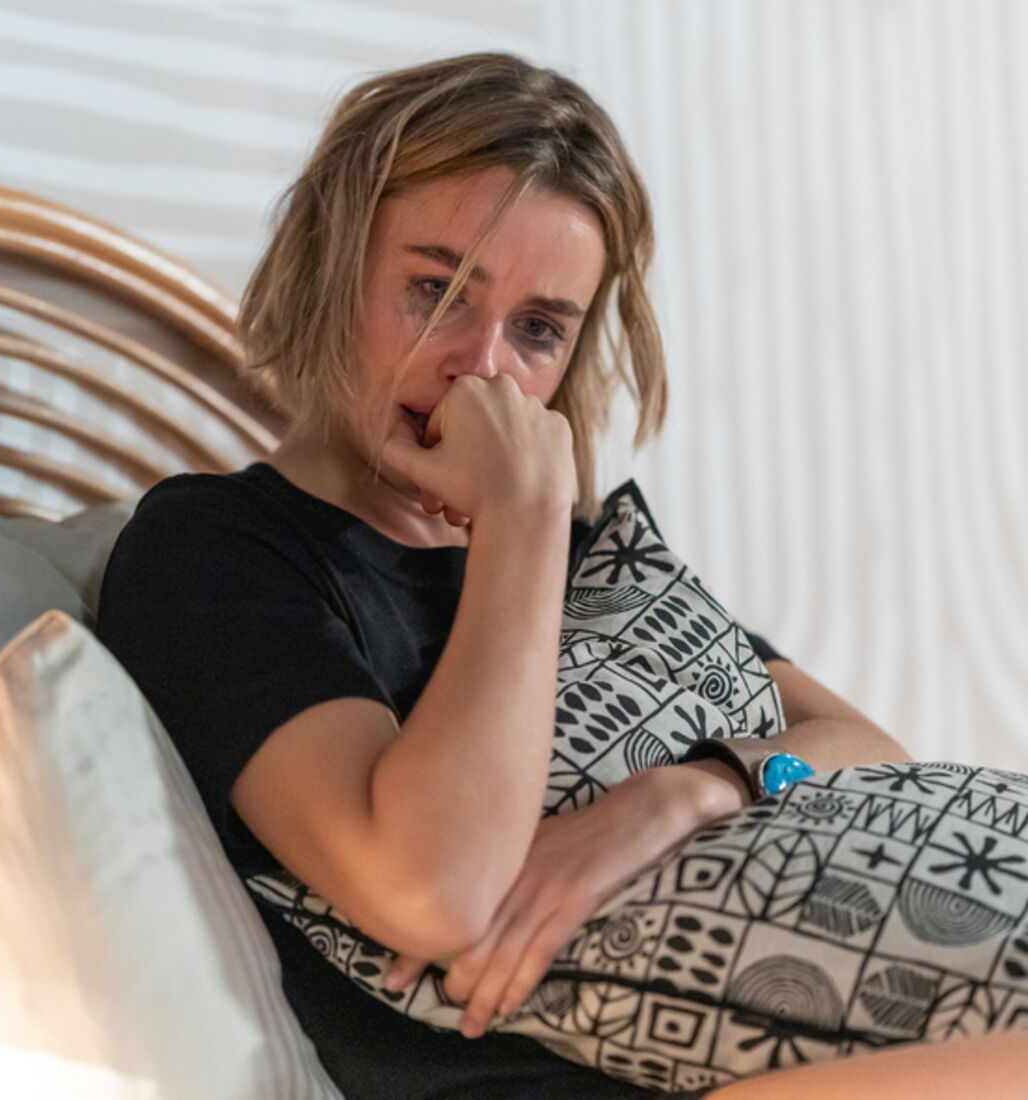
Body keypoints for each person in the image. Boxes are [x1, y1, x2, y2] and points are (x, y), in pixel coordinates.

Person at [97, 52, 1026, 1100]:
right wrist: (524, 516)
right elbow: (434, 892)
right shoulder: (216, 552)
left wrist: (679, 792)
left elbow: (865, 747)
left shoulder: (590, 554)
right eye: (436, 290)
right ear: (330, 270)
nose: (485, 367)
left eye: (538, 328)